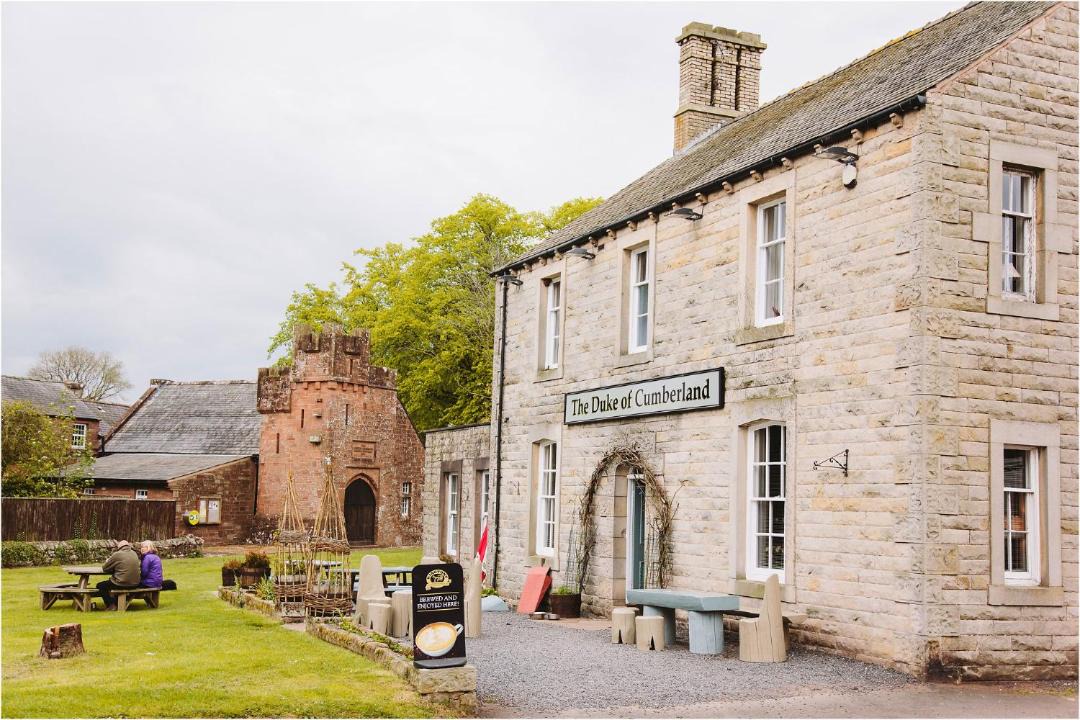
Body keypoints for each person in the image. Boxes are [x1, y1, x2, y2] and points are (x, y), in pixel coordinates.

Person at [96, 540, 141, 611]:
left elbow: (105, 568)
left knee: (101, 585)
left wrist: (108, 561)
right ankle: (117, 603)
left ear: (119, 547)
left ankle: (111, 605)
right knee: (110, 584)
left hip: (122, 583)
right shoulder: (134, 553)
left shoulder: (117, 554)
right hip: (136, 583)